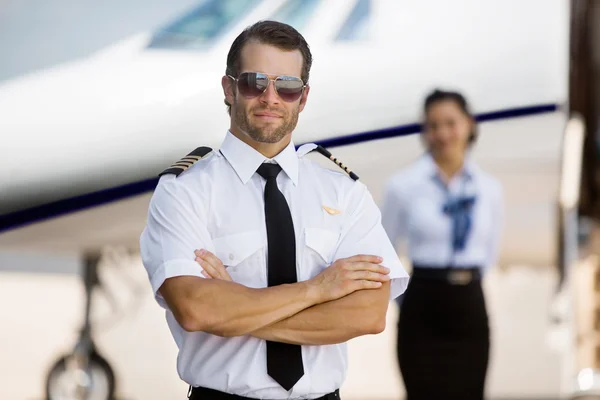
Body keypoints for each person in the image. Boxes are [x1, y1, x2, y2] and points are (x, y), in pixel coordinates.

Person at [139, 20, 409, 400]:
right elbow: (197, 309)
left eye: (287, 86)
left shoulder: (344, 191)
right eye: (254, 82)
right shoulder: (185, 191)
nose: (271, 98)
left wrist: (237, 304)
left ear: (304, 96)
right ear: (229, 88)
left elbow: (368, 314)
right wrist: (319, 289)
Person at [381, 89, 504, 400]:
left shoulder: (488, 188)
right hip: (422, 305)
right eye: (433, 125)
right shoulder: (404, 185)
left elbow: (490, 252)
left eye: (451, 123)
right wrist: (406, 301)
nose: (443, 133)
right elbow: (386, 250)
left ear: (469, 125)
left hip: (469, 306)